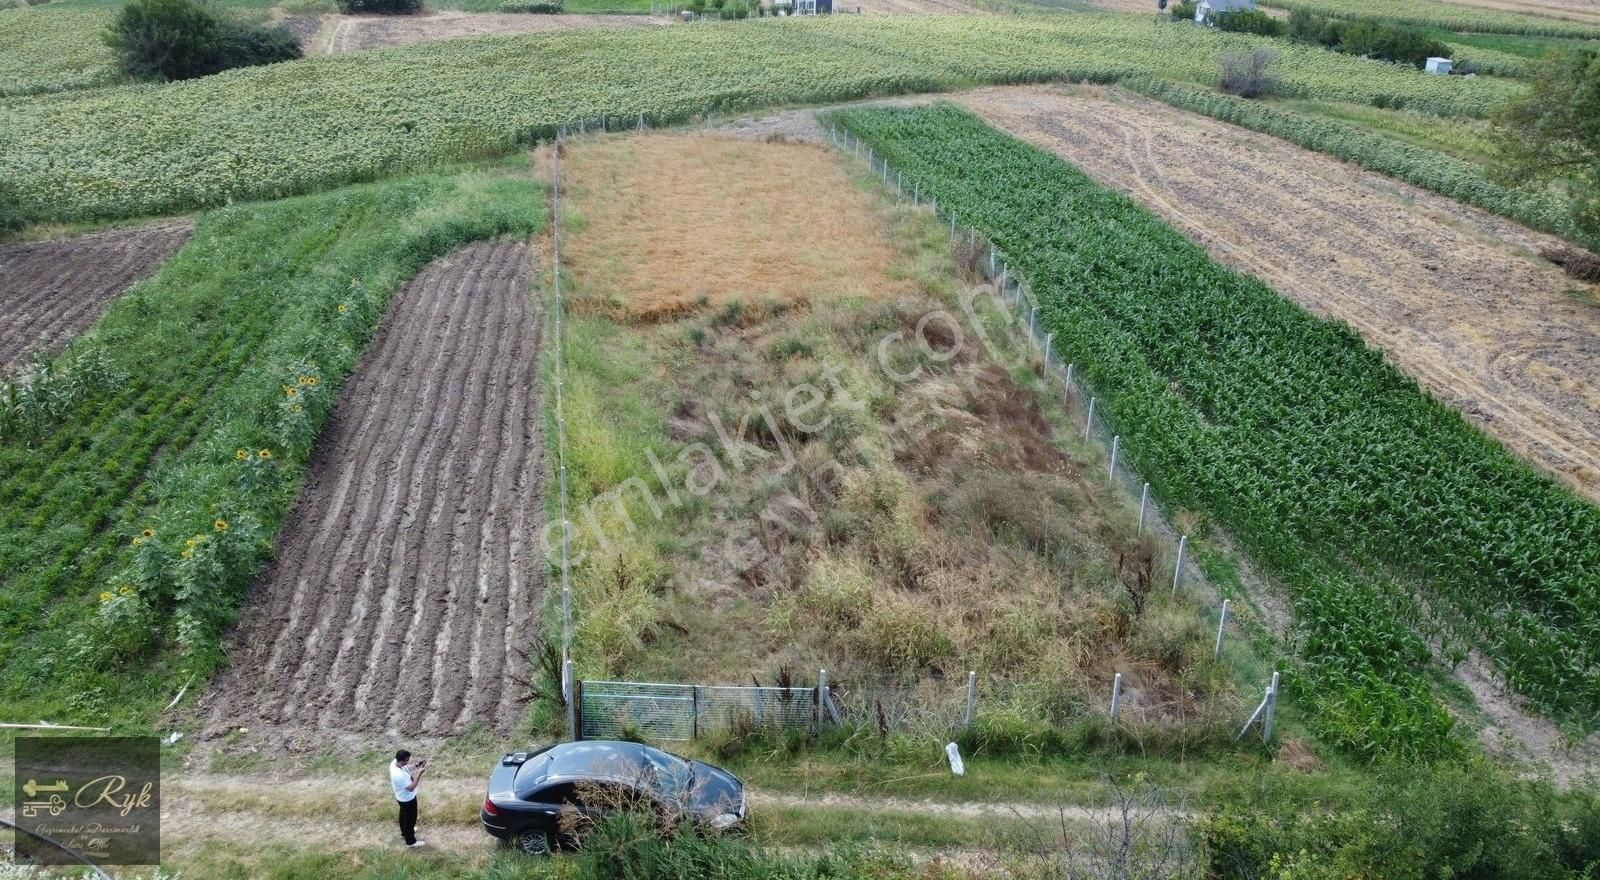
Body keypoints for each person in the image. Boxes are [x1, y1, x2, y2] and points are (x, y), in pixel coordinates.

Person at [390, 749, 428, 848]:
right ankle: (410, 842)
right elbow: (411, 788)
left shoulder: (395, 763)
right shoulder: (397, 775)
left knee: (404, 816)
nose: (407, 762)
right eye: (406, 760)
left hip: (401, 798)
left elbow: (406, 768)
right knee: (410, 820)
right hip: (407, 799)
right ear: (401, 760)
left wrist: (416, 766)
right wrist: (419, 773)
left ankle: (405, 833)